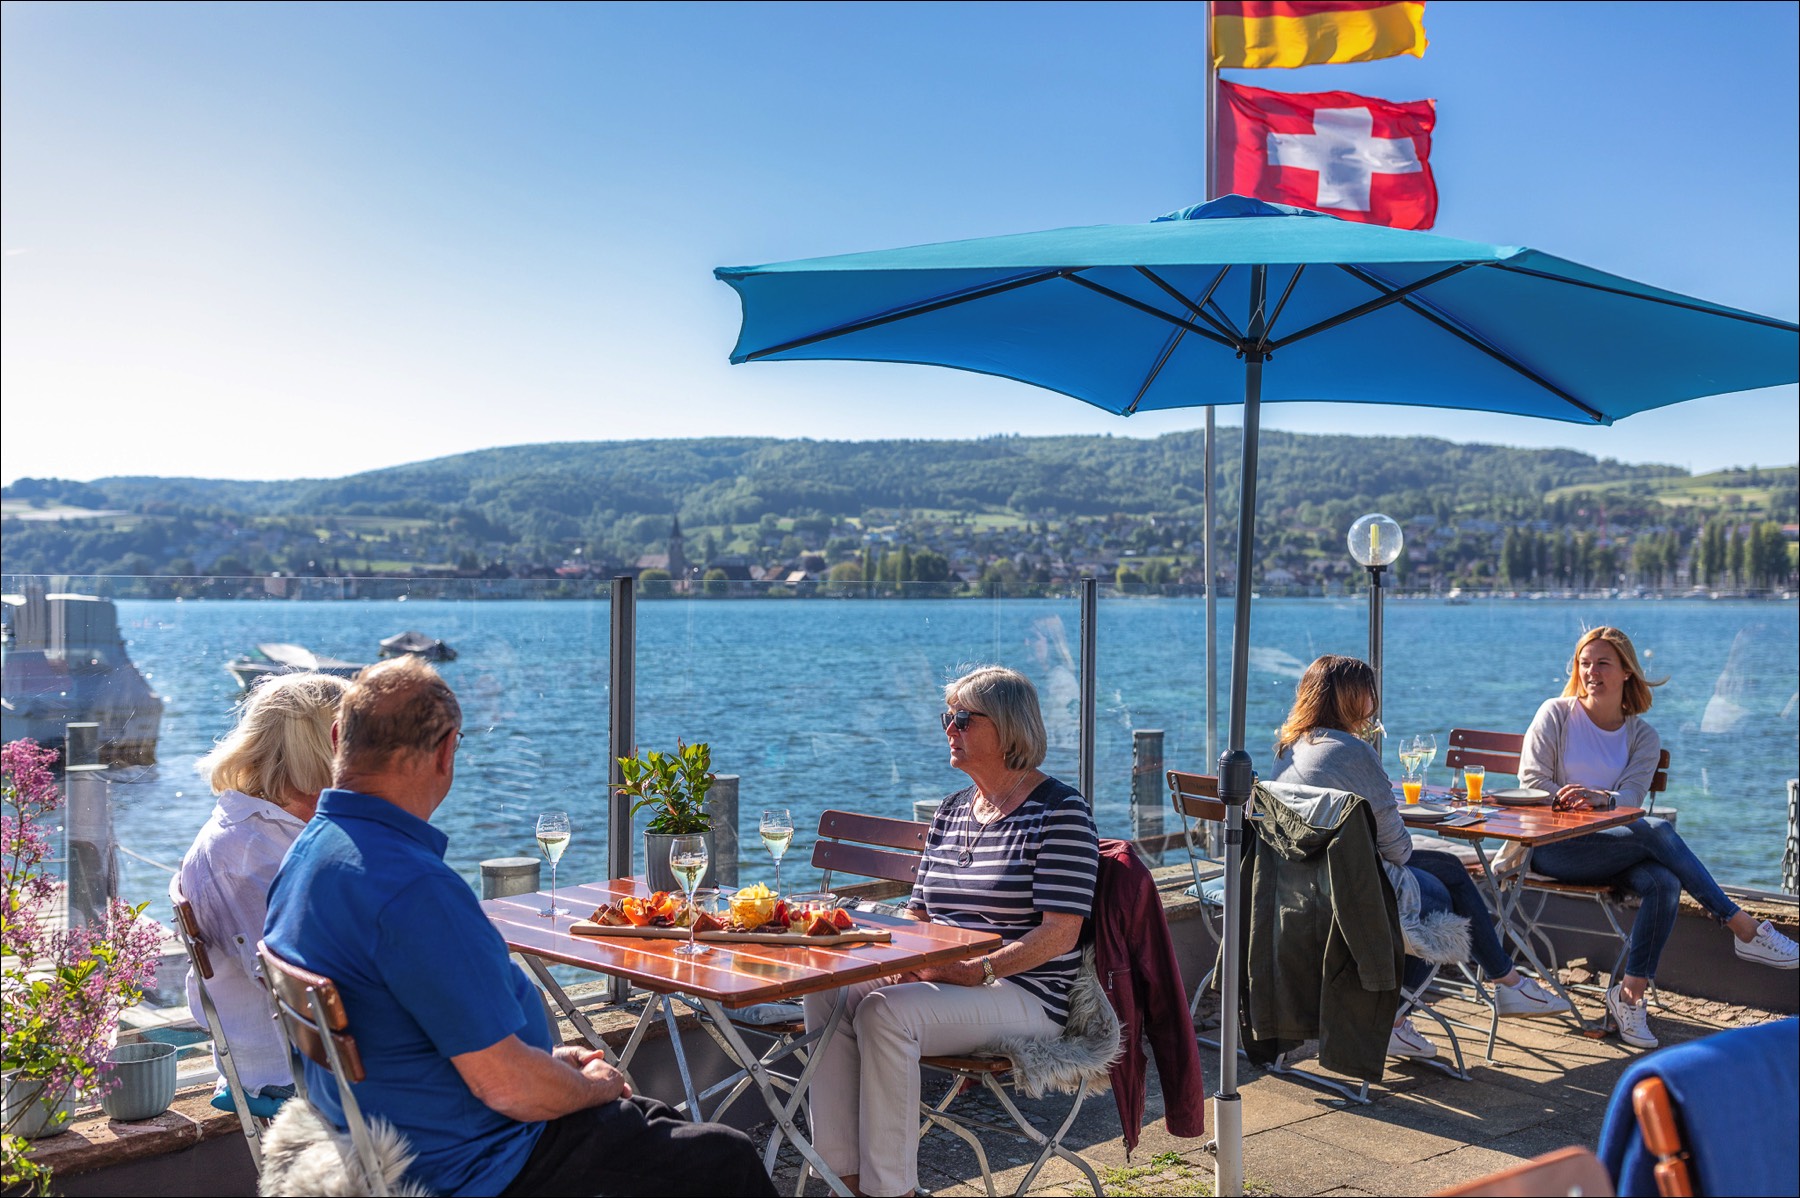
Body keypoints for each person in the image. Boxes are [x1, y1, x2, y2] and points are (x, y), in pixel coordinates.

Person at [264, 656, 774, 1197]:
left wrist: (551, 1068)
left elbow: (414, 1039)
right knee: (727, 1160)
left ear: (340, 736)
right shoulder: (411, 889)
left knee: (651, 1116)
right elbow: (506, 1087)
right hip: (481, 1164)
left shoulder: (307, 858)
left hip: (402, 1131)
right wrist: (577, 1086)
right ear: (445, 751)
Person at [802, 666, 1099, 1198]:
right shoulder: (953, 810)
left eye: (963, 719)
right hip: (948, 976)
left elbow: (1060, 935)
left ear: (1008, 728)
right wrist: (895, 960)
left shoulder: (1060, 812)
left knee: (884, 1013)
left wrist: (977, 969)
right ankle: (842, 1179)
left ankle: (888, 1190)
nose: (949, 729)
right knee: (829, 992)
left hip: (1027, 992)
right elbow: (920, 912)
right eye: (947, 717)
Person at [1272, 654, 1572, 1062]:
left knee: (1448, 867)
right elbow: (1399, 851)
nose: (1373, 705)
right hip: (1348, 894)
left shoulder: (1291, 747)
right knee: (1439, 898)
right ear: (1354, 699)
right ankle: (1395, 1019)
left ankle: (1508, 982)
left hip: (1303, 883)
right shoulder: (1353, 752)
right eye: (1368, 696)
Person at [1521, 626, 1797, 1050]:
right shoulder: (1555, 714)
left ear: (1627, 672)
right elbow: (1532, 782)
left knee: (1665, 882)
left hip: (1612, 847)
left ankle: (1629, 995)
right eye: (1585, 663)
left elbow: (1630, 801)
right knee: (1659, 829)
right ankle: (1743, 928)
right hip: (1553, 849)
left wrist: (1599, 800)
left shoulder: (1642, 736)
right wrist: (1568, 801)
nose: (1592, 671)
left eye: (1603, 663)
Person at [174, 671, 349, 1113]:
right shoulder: (252, 853)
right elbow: (303, 991)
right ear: (323, 749)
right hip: (300, 1072)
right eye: (358, 740)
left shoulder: (267, 830)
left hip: (313, 1051)